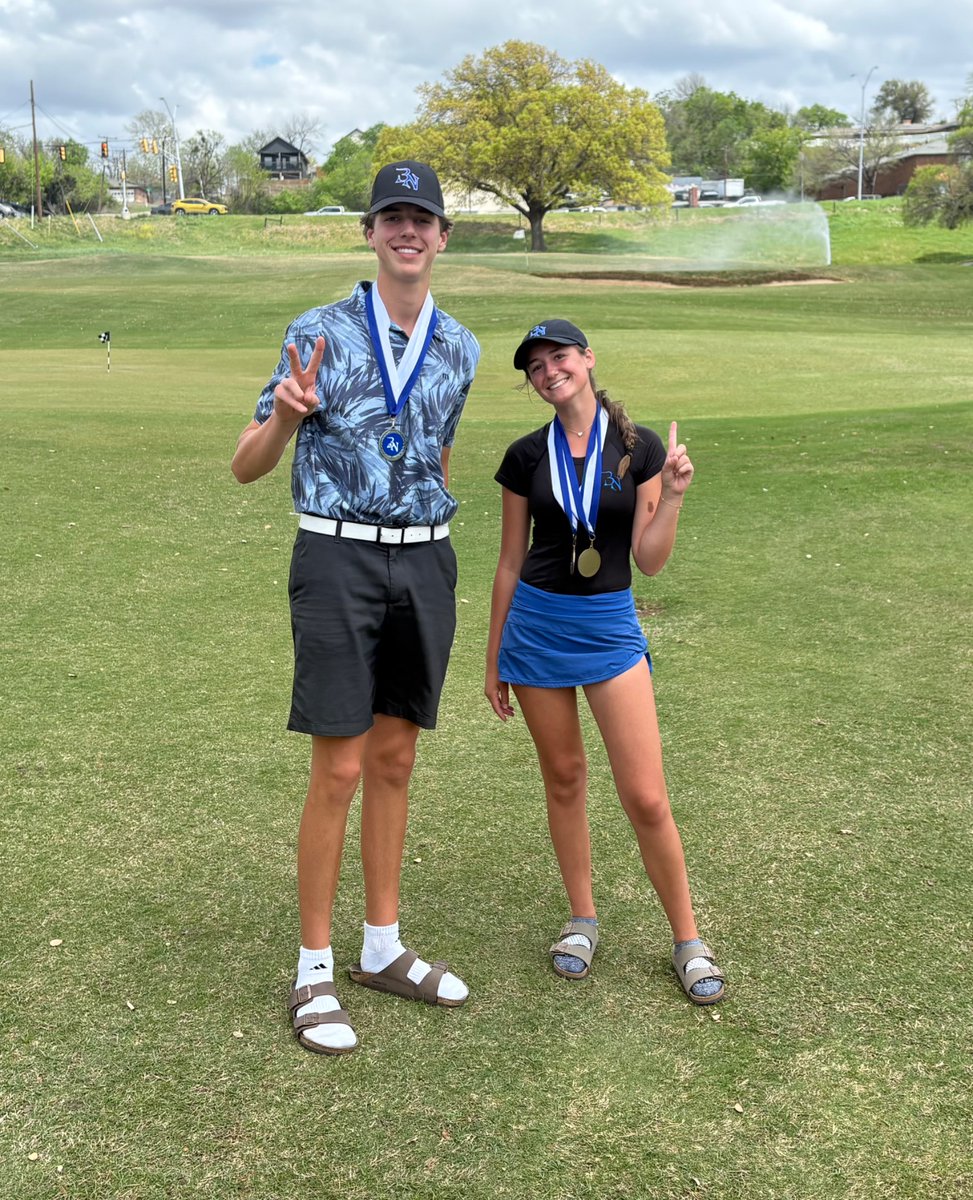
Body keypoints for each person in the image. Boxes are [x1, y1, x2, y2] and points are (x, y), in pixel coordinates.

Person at [232, 161, 480, 1054]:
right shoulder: (319, 330)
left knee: (395, 760)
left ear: (443, 237)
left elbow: (439, 459)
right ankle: (312, 972)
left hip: (424, 564)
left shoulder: (461, 346)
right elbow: (245, 464)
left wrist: (432, 534)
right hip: (335, 556)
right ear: (370, 234)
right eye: (391, 218)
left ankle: (382, 948)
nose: (407, 232)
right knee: (336, 769)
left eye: (422, 220)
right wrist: (288, 416)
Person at [484, 319, 725, 1004]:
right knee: (563, 778)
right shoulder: (524, 457)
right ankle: (581, 919)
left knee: (645, 796)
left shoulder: (638, 448)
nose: (547, 371)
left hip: (609, 630)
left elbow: (648, 561)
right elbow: (508, 561)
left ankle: (687, 940)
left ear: (586, 360)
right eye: (534, 366)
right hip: (533, 630)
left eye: (557, 357)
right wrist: (493, 654)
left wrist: (673, 493)